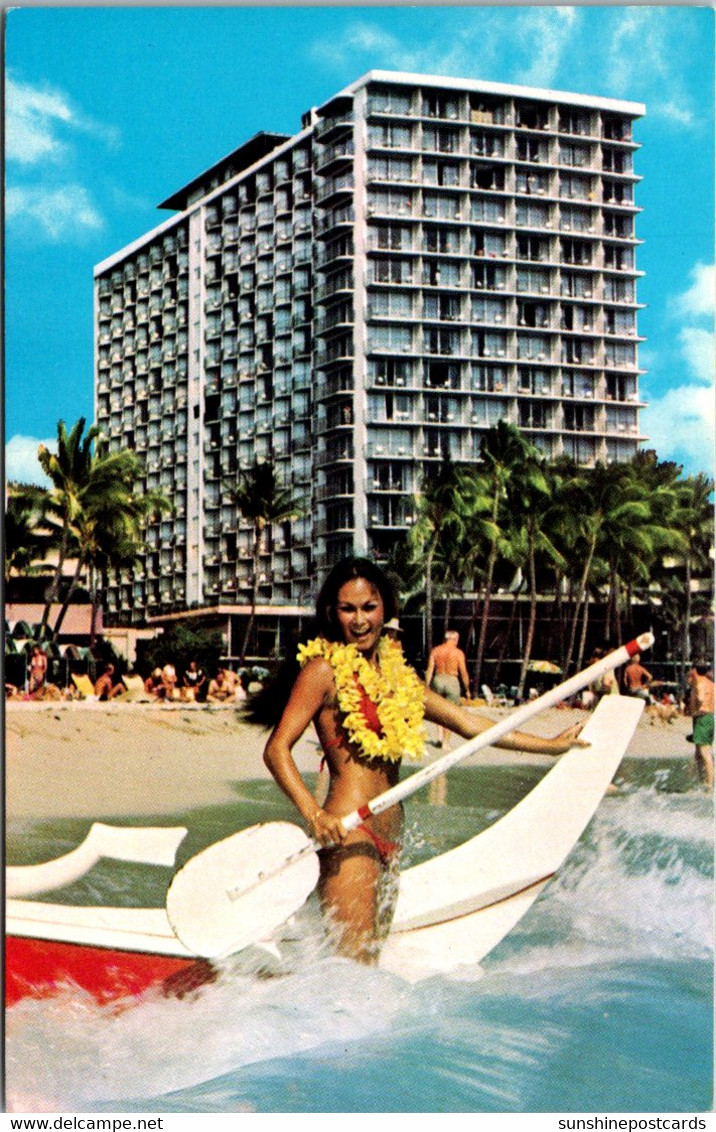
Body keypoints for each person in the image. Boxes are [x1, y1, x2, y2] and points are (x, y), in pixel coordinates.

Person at [263, 557, 586, 966]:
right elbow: (276, 749)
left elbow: (469, 723)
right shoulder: (323, 670)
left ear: (386, 611)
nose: (360, 620)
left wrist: (548, 744)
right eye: (348, 609)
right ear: (332, 613)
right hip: (349, 832)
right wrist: (312, 814)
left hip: (391, 831)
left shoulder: (400, 678)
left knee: (370, 963)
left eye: (369, 608)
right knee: (352, 971)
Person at [424, 630, 471, 747]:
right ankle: (445, 742)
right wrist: (467, 689)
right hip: (452, 680)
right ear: (455, 640)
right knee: (451, 712)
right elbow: (463, 672)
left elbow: (429, 670)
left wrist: (427, 686)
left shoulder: (436, 650)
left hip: (438, 679)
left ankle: (439, 737)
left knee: (438, 710)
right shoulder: (458, 653)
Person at [686, 661, 714, 791]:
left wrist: (696, 709)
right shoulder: (711, 683)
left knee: (704, 752)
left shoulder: (700, 682)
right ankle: (704, 781)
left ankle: (709, 785)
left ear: (695, 670)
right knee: (699, 753)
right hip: (708, 718)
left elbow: (701, 698)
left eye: (691, 669)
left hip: (702, 717)